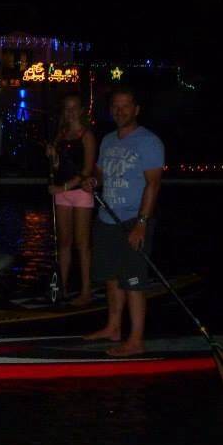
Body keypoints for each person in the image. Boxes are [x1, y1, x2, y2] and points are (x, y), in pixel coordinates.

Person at [83, 88, 164, 356]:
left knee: (133, 281)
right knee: (111, 277)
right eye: (115, 106)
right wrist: (93, 181)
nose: (120, 111)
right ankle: (114, 328)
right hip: (107, 218)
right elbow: (100, 174)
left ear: (136, 109)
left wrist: (141, 223)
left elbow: (153, 185)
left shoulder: (149, 142)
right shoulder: (107, 140)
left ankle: (136, 339)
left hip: (132, 219)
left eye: (126, 106)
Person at [45, 94, 97, 305]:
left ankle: (86, 291)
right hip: (62, 194)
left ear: (81, 110)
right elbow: (58, 167)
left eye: (74, 107)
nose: (71, 111)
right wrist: (52, 156)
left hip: (80, 192)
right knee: (64, 243)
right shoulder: (61, 135)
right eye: (67, 108)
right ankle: (63, 289)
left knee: (82, 244)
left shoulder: (87, 135)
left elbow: (87, 170)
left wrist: (63, 187)